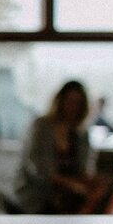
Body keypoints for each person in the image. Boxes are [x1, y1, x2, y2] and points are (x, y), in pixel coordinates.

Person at [12, 80, 106, 213]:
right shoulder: (41, 126)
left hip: (66, 199)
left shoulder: (81, 134)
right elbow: (36, 168)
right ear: (60, 102)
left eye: (78, 103)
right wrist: (70, 184)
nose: (73, 107)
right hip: (34, 197)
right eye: (70, 101)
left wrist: (91, 184)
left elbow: (84, 169)